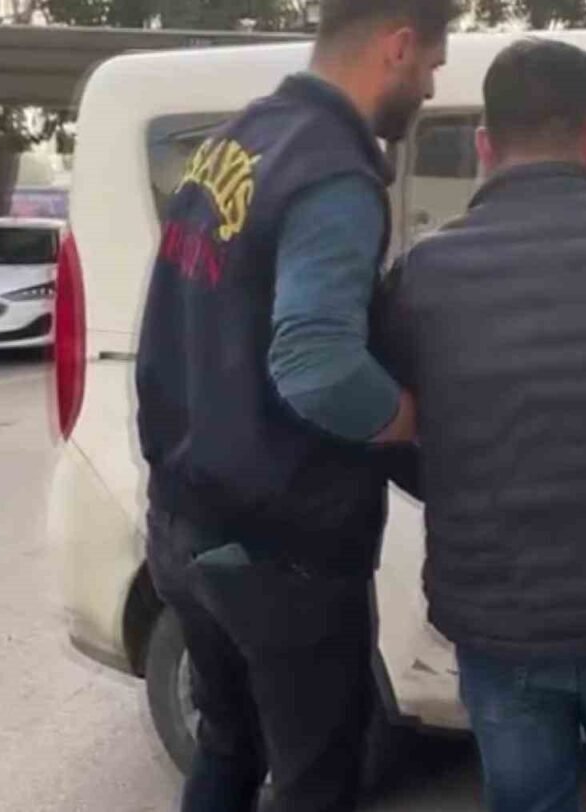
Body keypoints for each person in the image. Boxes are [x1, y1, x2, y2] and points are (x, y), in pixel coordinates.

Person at [134, 1, 454, 809]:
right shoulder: (332, 174)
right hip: (282, 550)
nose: (429, 86)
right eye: (431, 65)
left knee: (227, 745)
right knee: (317, 780)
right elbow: (316, 364)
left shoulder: (234, 142)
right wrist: (415, 419)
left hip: (184, 520)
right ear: (397, 45)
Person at [380, 38, 586, 812]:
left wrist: (449, 483)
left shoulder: (424, 274)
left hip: (498, 616)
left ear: (484, 144)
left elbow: (386, 431)